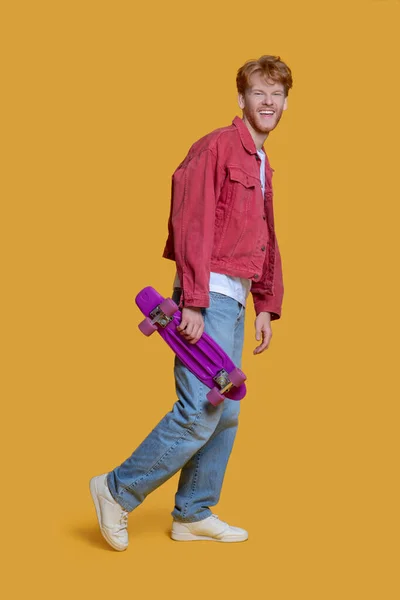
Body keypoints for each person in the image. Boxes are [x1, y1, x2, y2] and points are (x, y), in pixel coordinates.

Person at [90, 55, 293, 550]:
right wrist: (195, 302)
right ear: (241, 98)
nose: (268, 102)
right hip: (208, 298)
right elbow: (191, 222)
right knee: (199, 410)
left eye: (277, 94)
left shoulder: (261, 161)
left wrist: (265, 303)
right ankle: (116, 490)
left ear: (286, 102)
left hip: (235, 300)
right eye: (259, 93)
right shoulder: (218, 147)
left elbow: (264, 237)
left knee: (225, 411)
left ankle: (193, 513)